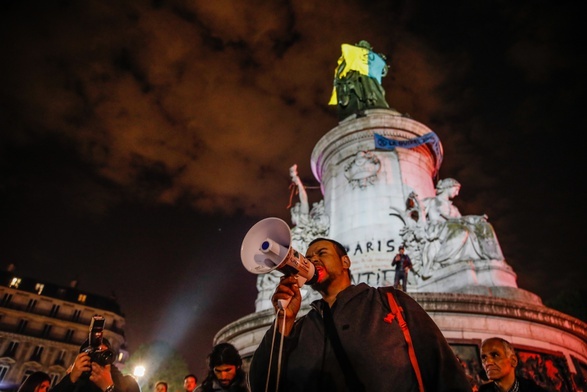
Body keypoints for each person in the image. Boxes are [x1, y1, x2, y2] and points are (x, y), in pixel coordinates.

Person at [248, 237, 472, 392]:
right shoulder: (300, 327)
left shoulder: (392, 302)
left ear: (345, 261)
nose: (311, 260)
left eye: (321, 253)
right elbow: (261, 384)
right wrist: (283, 322)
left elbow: (444, 370)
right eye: (307, 256)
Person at [51, 338, 139, 392]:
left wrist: (108, 387)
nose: (99, 359)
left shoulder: (127, 384)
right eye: (94, 353)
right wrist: (70, 379)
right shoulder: (76, 384)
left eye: (104, 353)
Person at [479, 337, 549, 392]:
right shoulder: (482, 390)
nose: (488, 362)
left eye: (495, 355)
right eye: (484, 357)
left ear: (513, 361)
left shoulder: (534, 390)